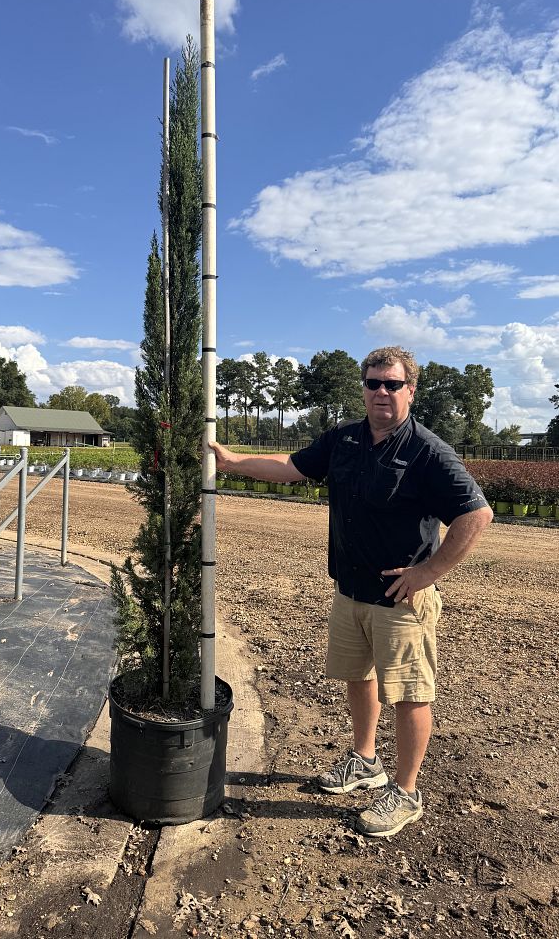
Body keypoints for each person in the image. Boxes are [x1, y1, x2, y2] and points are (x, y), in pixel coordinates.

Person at [210, 345, 493, 838]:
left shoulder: (427, 451)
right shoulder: (344, 440)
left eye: (391, 384)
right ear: (362, 388)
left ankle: (406, 793)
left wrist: (428, 572)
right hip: (351, 590)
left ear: (410, 390)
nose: (380, 392)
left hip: (401, 597)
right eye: (372, 383)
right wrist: (232, 461)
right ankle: (366, 762)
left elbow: (477, 514)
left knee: (408, 693)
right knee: (357, 678)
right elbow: (291, 466)